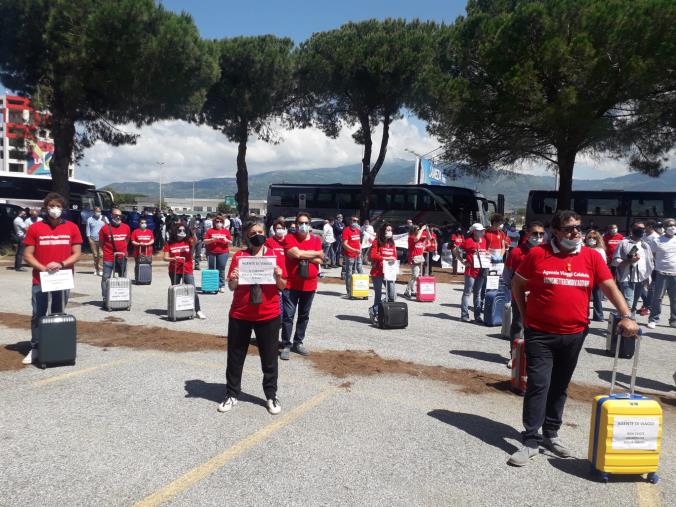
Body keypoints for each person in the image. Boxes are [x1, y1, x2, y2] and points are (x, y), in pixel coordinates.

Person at [508, 210, 638, 467]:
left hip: (575, 333)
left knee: (560, 386)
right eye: (569, 228)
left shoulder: (591, 256)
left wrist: (626, 314)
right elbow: (517, 285)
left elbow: (609, 286)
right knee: (538, 384)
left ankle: (551, 435)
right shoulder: (537, 254)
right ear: (555, 231)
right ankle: (531, 439)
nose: (576, 232)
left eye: (578, 227)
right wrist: (526, 317)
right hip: (540, 334)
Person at [218, 217, 287, 415]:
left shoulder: (274, 255)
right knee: (235, 356)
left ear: (266, 233)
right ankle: (231, 393)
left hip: (268, 314)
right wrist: (234, 279)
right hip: (241, 314)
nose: (258, 236)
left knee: (269, 358)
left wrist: (278, 276)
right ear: (247, 238)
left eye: (260, 232)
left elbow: (282, 286)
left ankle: (271, 395)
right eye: (252, 234)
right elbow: (232, 287)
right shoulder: (239, 256)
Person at [22, 193, 82, 365]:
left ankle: (56, 346)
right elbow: (27, 255)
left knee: (58, 313)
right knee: (38, 314)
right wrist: (43, 269)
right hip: (40, 279)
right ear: (45, 208)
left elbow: (77, 254)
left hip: (62, 278)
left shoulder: (72, 227)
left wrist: (62, 264)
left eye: (58, 206)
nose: (54, 209)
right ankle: (36, 347)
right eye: (51, 206)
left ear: (63, 209)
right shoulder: (35, 228)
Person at [280, 212, 323, 360]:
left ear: (310, 225)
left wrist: (307, 254)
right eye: (300, 223)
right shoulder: (289, 238)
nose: (303, 225)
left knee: (304, 316)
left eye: (306, 223)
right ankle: (286, 344)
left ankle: (298, 342)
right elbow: (296, 255)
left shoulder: (317, 240)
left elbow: (320, 260)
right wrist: (315, 254)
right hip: (291, 285)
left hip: (310, 285)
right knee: (288, 316)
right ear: (296, 224)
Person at [502, 221, 545, 356]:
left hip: (540, 296)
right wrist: (514, 288)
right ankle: (515, 355)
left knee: (538, 327)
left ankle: (532, 355)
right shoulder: (516, 252)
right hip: (520, 295)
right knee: (518, 323)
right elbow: (507, 274)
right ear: (527, 234)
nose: (538, 236)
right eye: (535, 233)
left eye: (541, 234)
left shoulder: (547, 252)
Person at [163, 221, 206, 319]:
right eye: (179, 230)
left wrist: (193, 232)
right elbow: (165, 258)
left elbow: (195, 241)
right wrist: (174, 258)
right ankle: (175, 309)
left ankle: (198, 310)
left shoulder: (188, 240)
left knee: (192, 289)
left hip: (187, 269)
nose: (182, 231)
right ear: (175, 231)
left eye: (183, 230)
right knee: (175, 289)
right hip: (174, 270)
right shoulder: (169, 243)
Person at [612, 221, 654, 319]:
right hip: (626, 278)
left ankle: (628, 326)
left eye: (643, 229)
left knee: (634, 305)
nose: (641, 230)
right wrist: (629, 261)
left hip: (640, 279)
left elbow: (650, 263)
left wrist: (648, 278)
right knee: (628, 304)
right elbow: (615, 261)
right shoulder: (623, 243)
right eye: (638, 228)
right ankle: (625, 327)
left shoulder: (645, 245)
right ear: (632, 229)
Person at [454, 224, 489, 322]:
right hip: (471, 271)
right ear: (474, 231)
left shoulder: (484, 241)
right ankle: (464, 315)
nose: (482, 232)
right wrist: (462, 261)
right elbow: (456, 250)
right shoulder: (468, 241)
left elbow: (485, 252)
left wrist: (487, 254)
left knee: (477, 293)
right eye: (479, 230)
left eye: (482, 230)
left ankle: (477, 317)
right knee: (467, 293)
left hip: (482, 270)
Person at [647, 218, 676, 329]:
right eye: (670, 225)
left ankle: (674, 320)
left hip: (675, 274)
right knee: (657, 298)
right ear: (664, 227)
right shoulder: (657, 241)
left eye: (674, 225)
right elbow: (653, 255)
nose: (673, 228)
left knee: (674, 299)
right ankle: (653, 319)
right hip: (661, 274)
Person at [368, 223, 398, 323]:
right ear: (383, 231)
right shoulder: (376, 242)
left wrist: (393, 259)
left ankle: (375, 309)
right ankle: (375, 313)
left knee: (392, 295)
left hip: (389, 273)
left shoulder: (392, 243)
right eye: (387, 230)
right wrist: (385, 258)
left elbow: (394, 255)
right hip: (377, 272)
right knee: (378, 295)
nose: (389, 232)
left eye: (390, 230)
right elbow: (372, 255)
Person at [99, 208, 131, 298]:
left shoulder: (126, 227)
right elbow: (101, 243)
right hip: (109, 257)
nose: (118, 217)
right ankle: (106, 298)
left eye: (119, 216)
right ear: (111, 215)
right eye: (115, 215)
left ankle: (121, 296)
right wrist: (106, 251)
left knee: (123, 277)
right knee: (106, 277)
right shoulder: (105, 228)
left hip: (122, 257)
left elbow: (127, 240)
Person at [584, 229, 608, 322]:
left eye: (594, 238)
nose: (591, 239)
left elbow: (603, 264)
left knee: (597, 297)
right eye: (589, 237)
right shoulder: (583, 248)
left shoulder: (600, 250)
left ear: (598, 239)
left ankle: (598, 316)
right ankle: (584, 315)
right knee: (584, 297)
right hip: (585, 275)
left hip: (596, 276)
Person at [203, 216, 232, 292]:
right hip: (211, 252)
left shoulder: (226, 231)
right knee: (211, 268)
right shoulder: (210, 231)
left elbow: (230, 242)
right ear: (214, 223)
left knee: (221, 268)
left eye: (220, 222)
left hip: (223, 252)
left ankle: (221, 285)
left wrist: (226, 240)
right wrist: (212, 240)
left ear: (223, 223)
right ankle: (212, 285)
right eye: (217, 222)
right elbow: (205, 241)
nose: (218, 223)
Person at [405, 225, 428, 298]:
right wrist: (422, 229)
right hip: (413, 258)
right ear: (413, 230)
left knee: (416, 276)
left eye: (419, 229)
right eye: (417, 229)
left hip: (419, 258)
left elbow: (430, 238)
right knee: (414, 275)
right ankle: (407, 291)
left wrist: (427, 230)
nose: (419, 230)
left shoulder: (420, 237)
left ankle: (412, 290)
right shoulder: (411, 237)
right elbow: (416, 238)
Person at [342, 216, 363, 295]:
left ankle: (360, 288)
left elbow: (358, 242)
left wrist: (360, 250)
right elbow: (344, 244)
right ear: (350, 221)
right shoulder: (346, 230)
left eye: (357, 221)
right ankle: (349, 291)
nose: (355, 222)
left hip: (358, 254)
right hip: (350, 255)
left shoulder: (357, 230)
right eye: (354, 220)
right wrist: (354, 250)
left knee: (360, 270)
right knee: (349, 272)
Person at [86, 207, 106, 276]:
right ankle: (96, 269)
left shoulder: (104, 218)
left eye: (99, 211)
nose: (98, 213)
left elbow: (109, 226)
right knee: (95, 255)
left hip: (102, 240)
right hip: (92, 239)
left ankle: (101, 269)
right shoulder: (89, 219)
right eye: (97, 211)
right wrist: (89, 239)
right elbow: (88, 230)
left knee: (101, 255)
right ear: (94, 212)